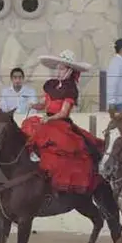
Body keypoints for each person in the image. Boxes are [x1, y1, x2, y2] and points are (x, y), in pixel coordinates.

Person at [21, 51, 103, 194]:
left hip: (60, 123)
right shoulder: (51, 85)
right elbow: (43, 103)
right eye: (58, 68)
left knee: (57, 140)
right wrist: (34, 105)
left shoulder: (70, 88)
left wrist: (49, 119)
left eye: (62, 69)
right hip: (47, 120)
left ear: (69, 71)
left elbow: (64, 112)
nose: (58, 71)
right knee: (29, 124)